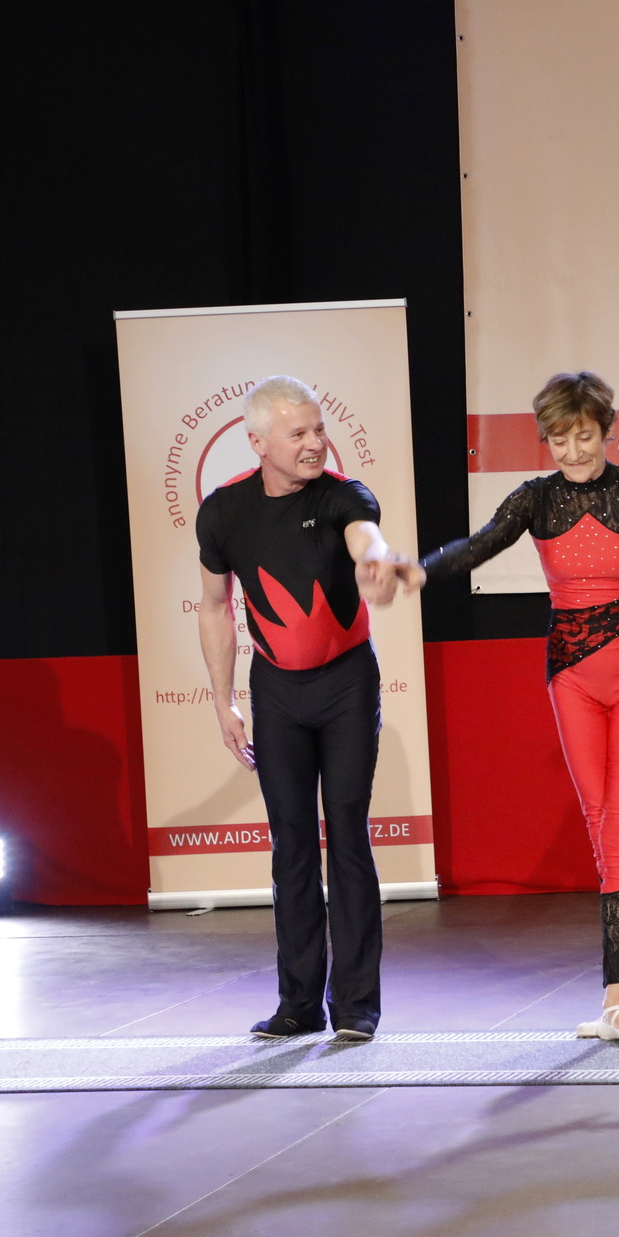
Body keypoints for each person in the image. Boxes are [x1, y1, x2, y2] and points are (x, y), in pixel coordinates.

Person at [411, 372, 619, 1048]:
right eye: (559, 439)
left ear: (605, 430)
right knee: (601, 824)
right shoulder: (536, 499)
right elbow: (479, 544)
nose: (573, 451)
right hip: (570, 678)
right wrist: (420, 569)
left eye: (583, 436)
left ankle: (612, 1000)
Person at [196, 374, 412, 1043]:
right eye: (299, 434)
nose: (316, 443)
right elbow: (214, 607)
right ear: (259, 442)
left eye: (319, 429)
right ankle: (298, 1005)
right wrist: (224, 701)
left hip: (347, 685)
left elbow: (365, 538)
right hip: (276, 692)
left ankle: (356, 1005)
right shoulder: (223, 511)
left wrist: (378, 563)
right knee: (290, 842)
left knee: (346, 834)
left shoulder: (344, 495)